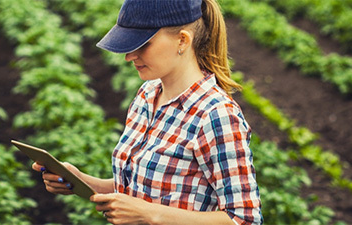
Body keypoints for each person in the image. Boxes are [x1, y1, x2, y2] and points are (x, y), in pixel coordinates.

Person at [32, 0, 262, 224]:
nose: (130, 56)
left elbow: (244, 219)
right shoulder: (147, 95)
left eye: (142, 44)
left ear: (182, 40)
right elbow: (142, 188)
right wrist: (81, 181)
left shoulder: (215, 115)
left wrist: (151, 214)